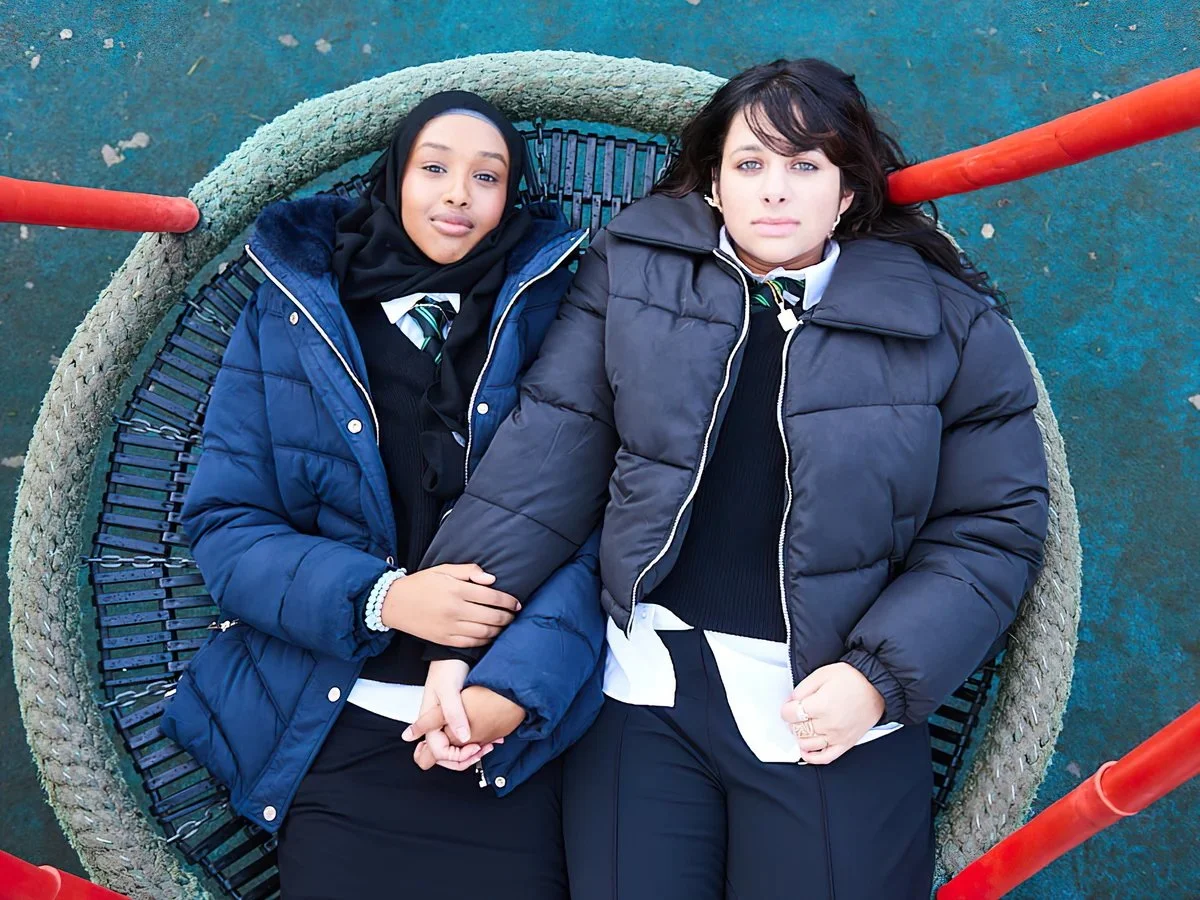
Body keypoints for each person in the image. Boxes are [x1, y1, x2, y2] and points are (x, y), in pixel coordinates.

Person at [407, 59, 1050, 899]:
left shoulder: (950, 324)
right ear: (714, 182)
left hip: (824, 701)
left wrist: (878, 680)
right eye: (750, 164)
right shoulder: (633, 269)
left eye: (804, 166)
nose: (774, 189)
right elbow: (547, 455)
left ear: (848, 193)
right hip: (644, 684)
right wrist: (456, 646)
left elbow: (991, 529)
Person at [160, 90, 606, 900]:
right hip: (333, 724)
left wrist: (511, 691)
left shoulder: (561, 315)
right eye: (434, 168)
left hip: (507, 735)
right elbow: (226, 530)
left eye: (487, 177)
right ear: (395, 177)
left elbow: (601, 533)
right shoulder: (294, 314)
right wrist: (384, 600)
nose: (458, 194)